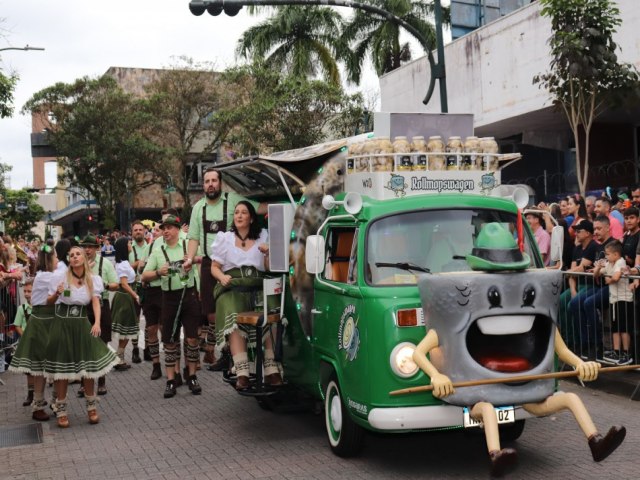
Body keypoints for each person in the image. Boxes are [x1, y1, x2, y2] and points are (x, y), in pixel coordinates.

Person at [184, 168, 265, 369]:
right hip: (209, 264)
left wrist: (291, 203)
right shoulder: (198, 208)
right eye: (206, 181)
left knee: (236, 309)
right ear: (203, 185)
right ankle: (226, 350)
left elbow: (259, 209)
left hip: (232, 266)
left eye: (214, 180)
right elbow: (193, 237)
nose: (210, 184)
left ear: (220, 183)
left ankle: (232, 353)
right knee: (211, 313)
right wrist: (188, 258)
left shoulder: (233, 201)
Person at [211, 201, 282, 391]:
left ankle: (271, 368)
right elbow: (214, 267)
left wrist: (268, 254)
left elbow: (267, 268)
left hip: (258, 284)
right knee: (231, 310)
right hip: (232, 287)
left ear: (251, 218)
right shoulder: (225, 238)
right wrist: (221, 276)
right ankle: (241, 372)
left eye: (244, 213)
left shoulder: (263, 236)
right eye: (236, 213)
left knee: (271, 309)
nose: (239, 215)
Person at [45, 245, 118, 428]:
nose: (75, 257)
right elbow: (48, 302)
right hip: (62, 323)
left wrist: (97, 323)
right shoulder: (60, 277)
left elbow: (95, 302)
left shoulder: (93, 279)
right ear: (68, 259)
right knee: (62, 370)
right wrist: (57, 293)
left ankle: (91, 407)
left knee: (87, 368)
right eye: (72, 255)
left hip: (81, 323)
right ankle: (61, 410)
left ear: (84, 258)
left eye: (78, 254)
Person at [142, 215, 202, 398]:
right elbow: (145, 275)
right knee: (169, 340)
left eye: (169, 228)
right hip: (168, 297)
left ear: (177, 229)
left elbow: (202, 258)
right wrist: (159, 272)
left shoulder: (188, 244)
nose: (165, 231)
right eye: (163, 228)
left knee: (192, 338)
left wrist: (191, 262)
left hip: (189, 294)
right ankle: (170, 380)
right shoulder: (158, 249)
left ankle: (192, 376)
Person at [8, 241, 57, 422]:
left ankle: (43, 403)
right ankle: (43, 404)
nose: (58, 260)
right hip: (44, 322)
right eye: (56, 256)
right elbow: (53, 299)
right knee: (43, 366)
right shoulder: (48, 277)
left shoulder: (42, 275)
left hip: (42, 321)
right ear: (50, 259)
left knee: (41, 367)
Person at [81, 234, 119, 395]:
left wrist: (104, 284)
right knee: (84, 346)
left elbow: (116, 284)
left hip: (102, 305)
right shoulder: (77, 264)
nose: (87, 249)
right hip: (83, 305)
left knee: (102, 343)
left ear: (97, 248)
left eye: (90, 246)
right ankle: (84, 382)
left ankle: (102, 381)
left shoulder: (106, 264)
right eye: (85, 246)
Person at [558, 220, 599, 350]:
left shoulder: (593, 246)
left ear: (587, 233)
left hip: (590, 285)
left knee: (572, 304)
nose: (576, 233)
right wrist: (573, 290)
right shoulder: (576, 248)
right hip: (578, 285)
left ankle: (580, 341)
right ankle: (569, 339)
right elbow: (572, 272)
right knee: (561, 301)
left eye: (579, 231)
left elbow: (581, 268)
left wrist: (569, 272)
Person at [594, 241, 635, 366]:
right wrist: (599, 267)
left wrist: (607, 279)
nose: (606, 257)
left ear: (616, 254)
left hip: (623, 299)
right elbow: (595, 274)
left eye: (607, 254)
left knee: (623, 328)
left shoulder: (620, 262)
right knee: (615, 328)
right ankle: (616, 352)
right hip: (614, 299)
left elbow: (616, 277)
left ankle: (627, 353)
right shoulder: (610, 263)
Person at [110, 237, 141, 369]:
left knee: (127, 330)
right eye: (128, 243)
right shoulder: (122, 264)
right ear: (124, 246)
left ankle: (120, 357)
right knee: (127, 329)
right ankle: (119, 357)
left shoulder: (124, 262)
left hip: (125, 296)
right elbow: (123, 283)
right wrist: (135, 295)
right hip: (125, 297)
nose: (130, 245)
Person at [128, 220, 149, 364]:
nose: (138, 232)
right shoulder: (128, 248)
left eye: (140, 230)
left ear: (144, 231)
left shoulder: (151, 246)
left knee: (150, 321)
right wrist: (138, 263)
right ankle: (135, 349)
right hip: (134, 287)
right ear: (132, 233)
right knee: (134, 320)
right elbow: (125, 267)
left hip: (148, 287)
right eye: (135, 230)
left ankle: (148, 348)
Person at [13, 278, 34, 407]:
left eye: (29, 291)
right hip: (28, 343)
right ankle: (30, 394)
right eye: (24, 291)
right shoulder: (22, 309)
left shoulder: (40, 307)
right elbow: (17, 325)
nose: (26, 294)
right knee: (29, 370)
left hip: (40, 342)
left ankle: (41, 395)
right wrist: (24, 335)